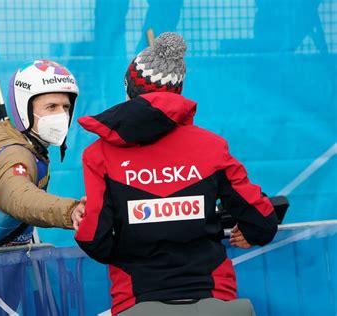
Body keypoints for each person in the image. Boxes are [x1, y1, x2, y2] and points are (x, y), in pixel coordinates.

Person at [74, 33, 278, 315]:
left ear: (128, 89)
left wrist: (132, 238)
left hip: (136, 300)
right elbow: (263, 222)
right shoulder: (211, 147)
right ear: (179, 91)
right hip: (216, 299)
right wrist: (250, 230)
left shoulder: (99, 154)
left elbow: (93, 239)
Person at [0, 59, 85, 249]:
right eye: (51, 107)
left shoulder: (25, 145)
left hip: (8, 263)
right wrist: (71, 211)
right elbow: (21, 198)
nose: (62, 115)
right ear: (24, 110)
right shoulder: (13, 155)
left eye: (66, 107)